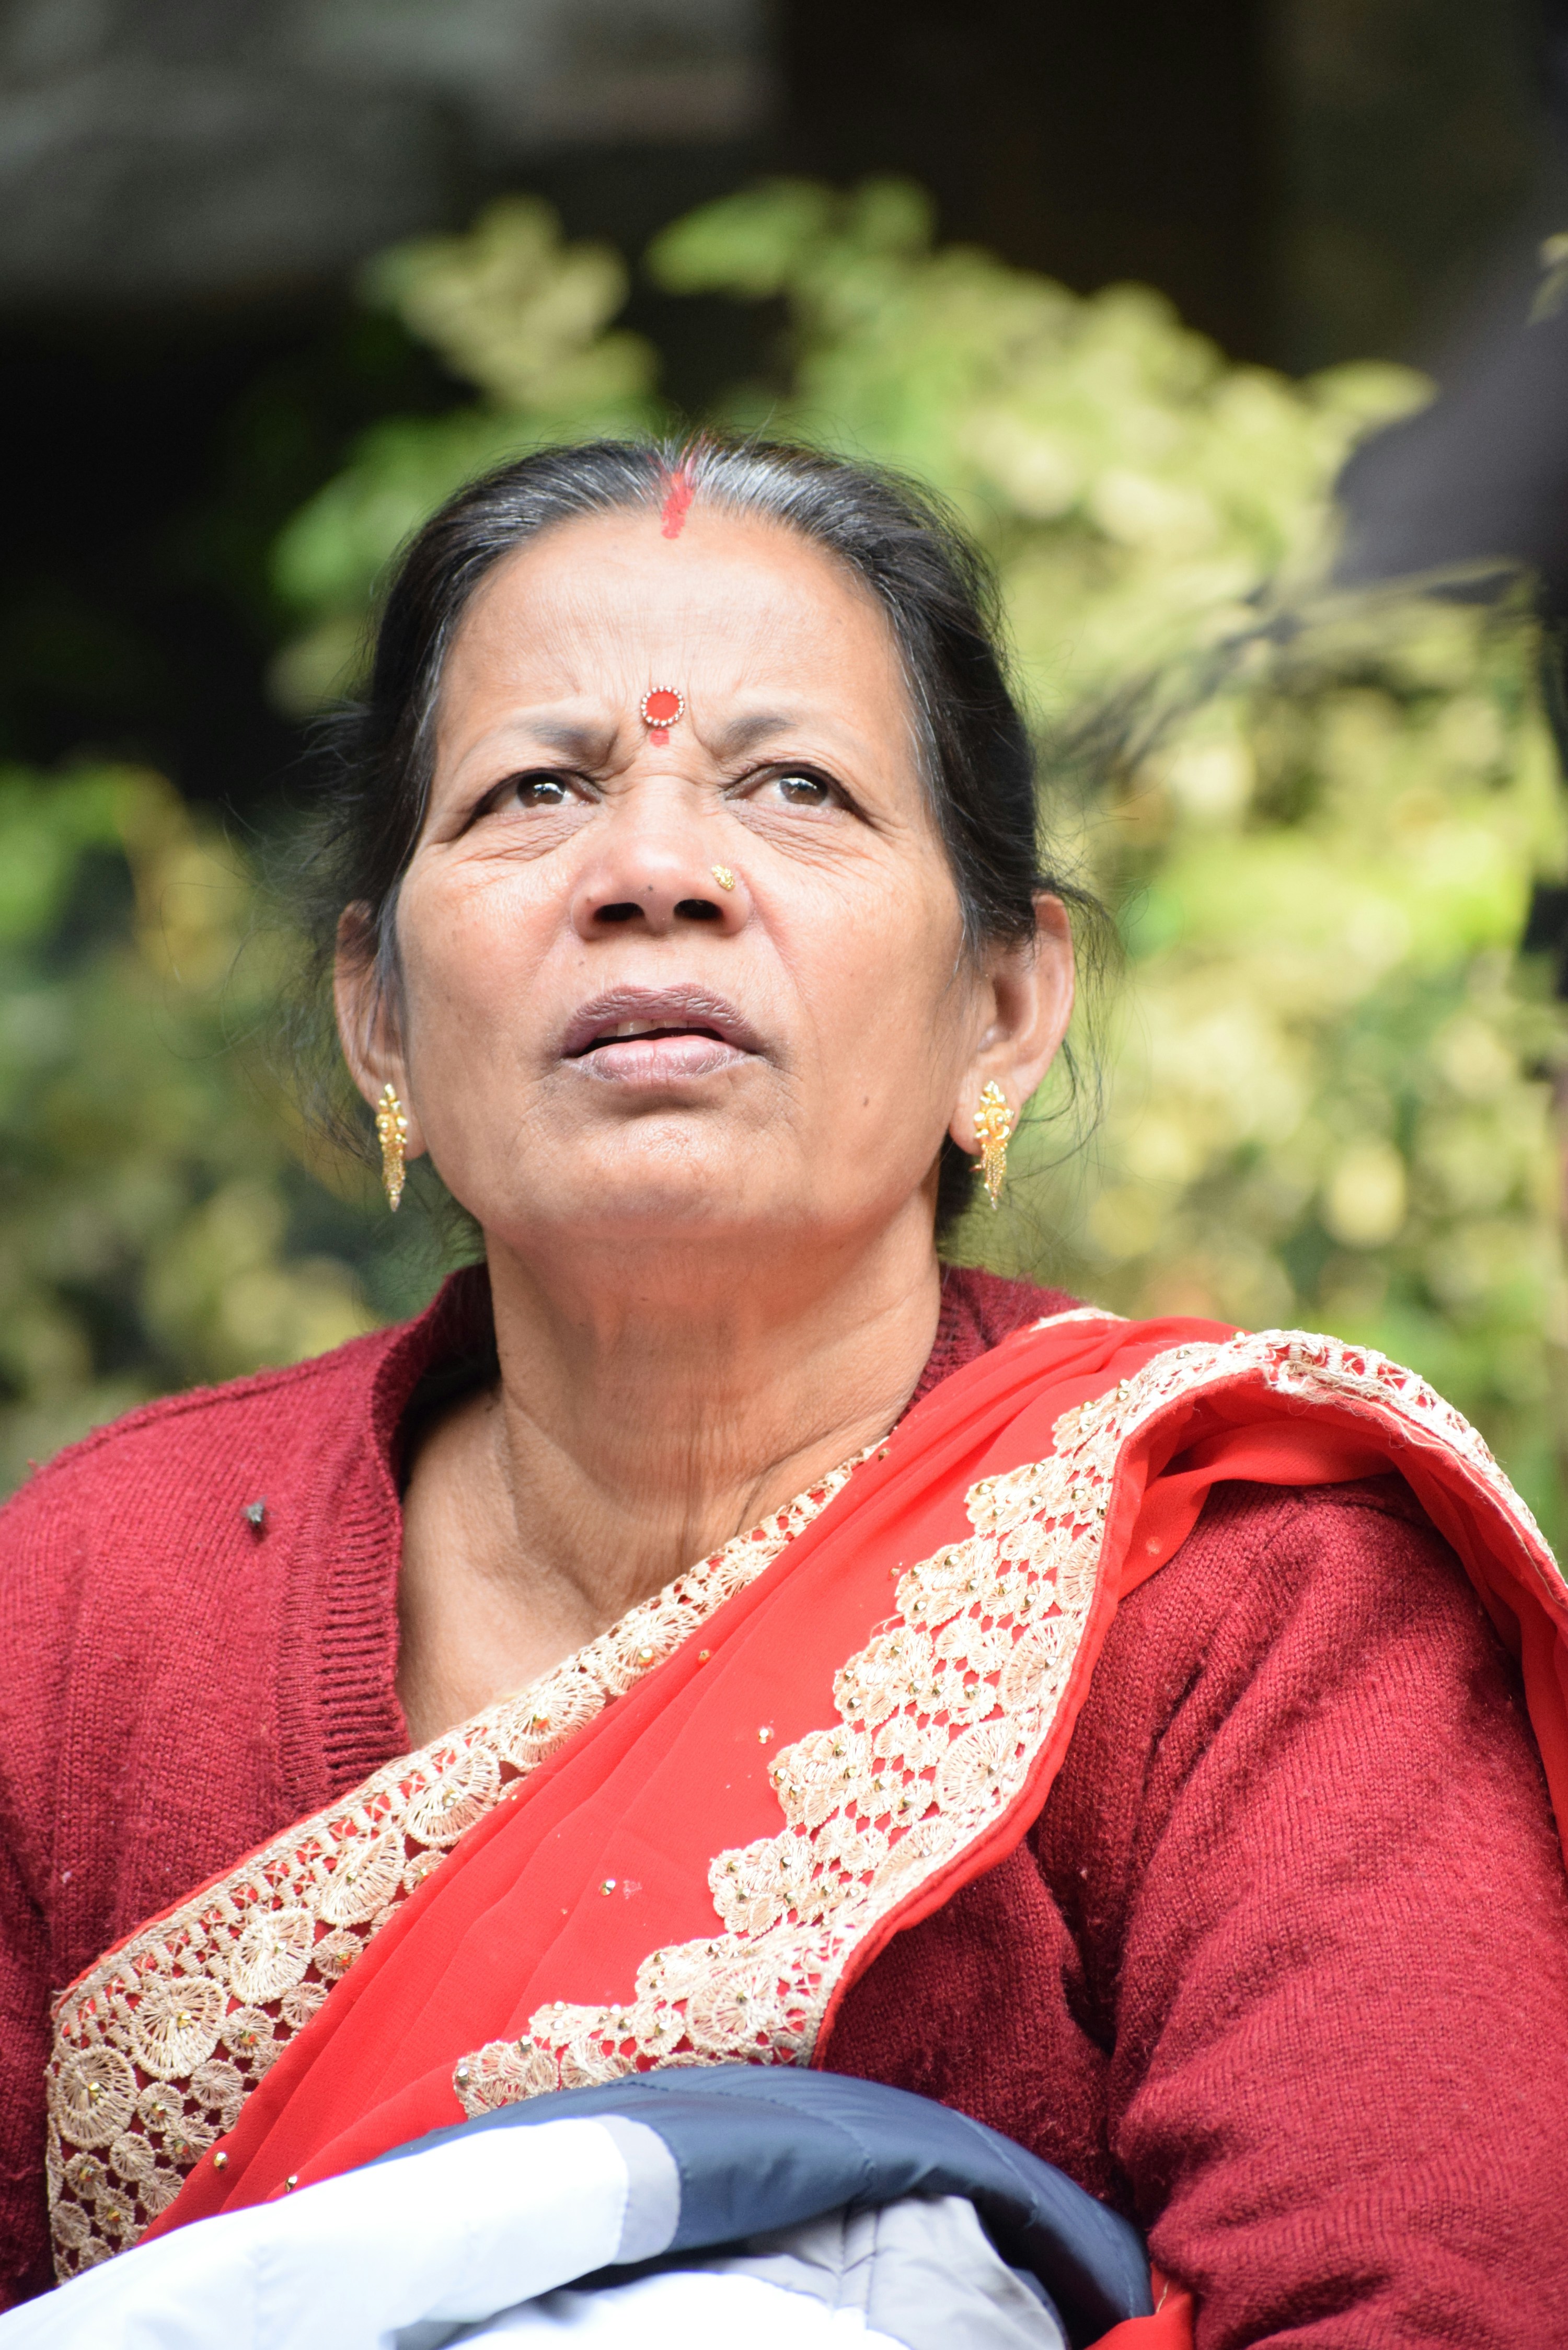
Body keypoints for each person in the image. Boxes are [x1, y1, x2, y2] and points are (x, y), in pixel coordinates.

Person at [2, 439, 1567, 2344]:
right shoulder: (82, 1611)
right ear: (378, 1014)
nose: (654, 872)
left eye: (796, 786)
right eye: (537, 790)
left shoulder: (1248, 1591)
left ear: (1007, 1001)